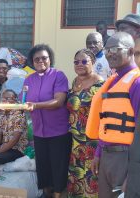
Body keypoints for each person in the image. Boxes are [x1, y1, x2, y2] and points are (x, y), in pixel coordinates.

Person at [86, 32, 140, 198]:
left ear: (131, 51)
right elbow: (106, 122)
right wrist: (98, 153)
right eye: (107, 49)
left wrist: (134, 174)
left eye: (116, 48)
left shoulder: (136, 83)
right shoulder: (113, 80)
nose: (110, 53)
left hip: (126, 158)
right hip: (107, 156)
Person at [23, 44, 72, 198]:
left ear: (50, 59)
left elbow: (58, 101)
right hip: (39, 131)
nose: (40, 61)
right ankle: (46, 193)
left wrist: (35, 105)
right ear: (32, 61)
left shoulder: (59, 76)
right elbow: (23, 100)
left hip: (58, 132)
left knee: (58, 166)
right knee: (43, 166)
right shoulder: (29, 80)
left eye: (44, 58)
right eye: (36, 59)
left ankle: (58, 194)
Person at [67, 49, 104, 197]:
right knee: (76, 178)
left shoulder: (101, 85)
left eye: (84, 61)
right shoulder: (76, 82)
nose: (79, 64)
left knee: (90, 179)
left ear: (93, 63)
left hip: (92, 141)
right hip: (76, 140)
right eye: (76, 62)